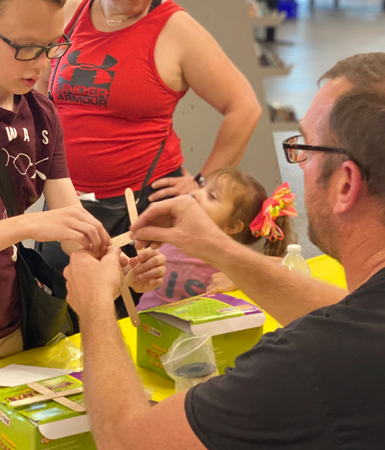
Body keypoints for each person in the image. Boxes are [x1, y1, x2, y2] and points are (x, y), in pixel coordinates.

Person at [64, 52, 385, 449]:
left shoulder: (308, 366)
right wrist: (219, 248)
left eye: (305, 150)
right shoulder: (371, 326)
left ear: (346, 185)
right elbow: (349, 313)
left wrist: (96, 308)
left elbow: (128, 441)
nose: (301, 167)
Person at [0, 0, 165, 373]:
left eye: (53, 46)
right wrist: (27, 225)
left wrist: (119, 269)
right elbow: (39, 225)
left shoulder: (41, 114)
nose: (41, 63)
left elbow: (73, 229)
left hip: (16, 333)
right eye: (26, 48)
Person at [35, 0, 262, 278]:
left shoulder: (176, 29)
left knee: (136, 310)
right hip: (66, 198)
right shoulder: (70, 12)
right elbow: (43, 87)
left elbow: (244, 108)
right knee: (59, 304)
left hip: (140, 207)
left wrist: (202, 182)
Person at [138, 167, 297, 310]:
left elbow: (290, 268)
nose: (195, 193)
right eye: (202, 186)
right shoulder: (171, 231)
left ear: (232, 226)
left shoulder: (231, 257)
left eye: (211, 196)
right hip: (142, 328)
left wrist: (236, 278)